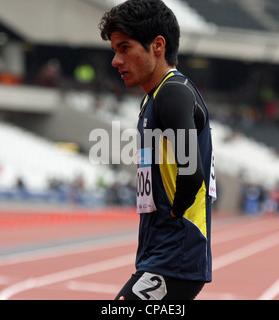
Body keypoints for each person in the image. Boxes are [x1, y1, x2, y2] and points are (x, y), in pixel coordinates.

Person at [99, 0, 216, 300]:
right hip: (163, 254)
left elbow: (191, 173)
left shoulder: (172, 92)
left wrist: (174, 214)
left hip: (174, 257)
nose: (116, 60)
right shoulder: (157, 96)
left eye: (124, 48)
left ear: (158, 46)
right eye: (115, 50)